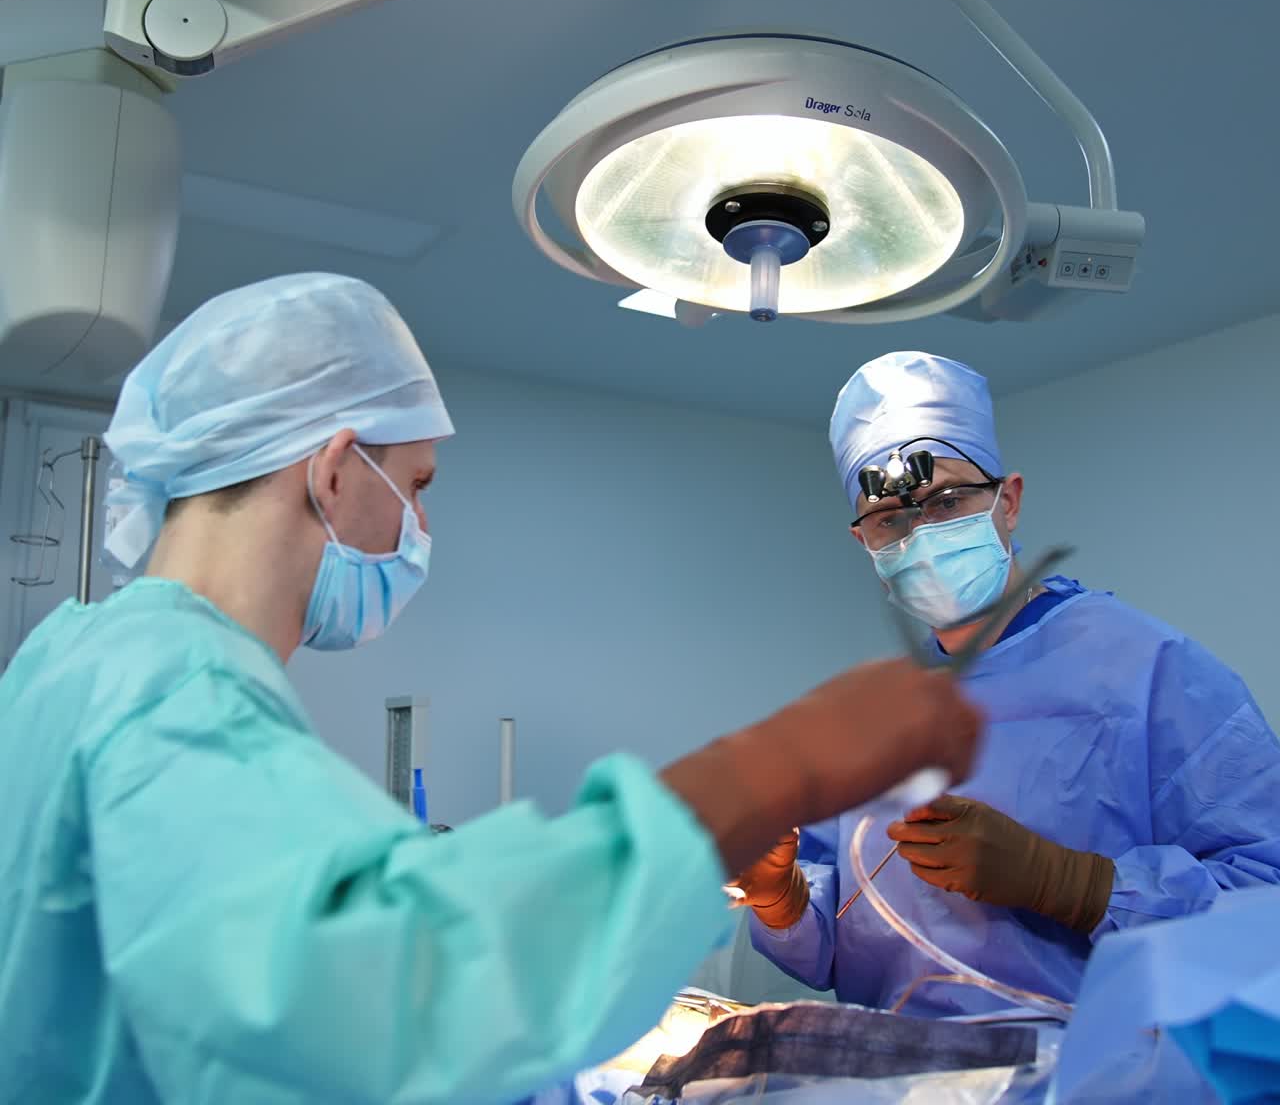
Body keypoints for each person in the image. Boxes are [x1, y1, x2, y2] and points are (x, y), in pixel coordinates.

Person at [0, 279, 981, 1105]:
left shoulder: (71, 661)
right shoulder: (174, 692)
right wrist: (772, 766)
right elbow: (394, 991)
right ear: (336, 471)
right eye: (416, 483)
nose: (419, 522)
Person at [739, 350, 1280, 1017]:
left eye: (947, 500)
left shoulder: (1148, 669)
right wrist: (779, 894)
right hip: (902, 1074)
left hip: (1101, 1075)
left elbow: (1265, 901)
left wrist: (1074, 884)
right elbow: (836, 940)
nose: (921, 533)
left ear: (1009, 500)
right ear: (865, 542)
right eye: (890, 518)